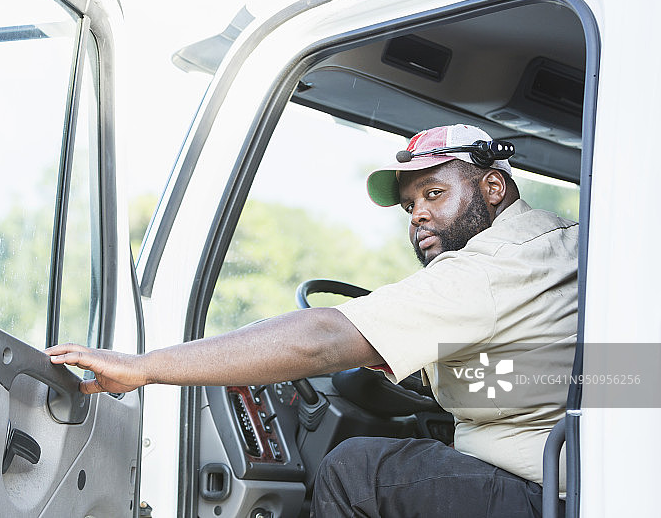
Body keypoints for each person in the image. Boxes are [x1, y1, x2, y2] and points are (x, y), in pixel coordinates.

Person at [46, 124, 577, 517]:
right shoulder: (563, 242)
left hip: (541, 496)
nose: (416, 214)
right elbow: (566, 369)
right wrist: (422, 373)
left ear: (492, 188)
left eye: (434, 193)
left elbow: (321, 339)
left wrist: (143, 367)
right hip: (580, 484)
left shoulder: (484, 270)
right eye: (409, 203)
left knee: (354, 471)